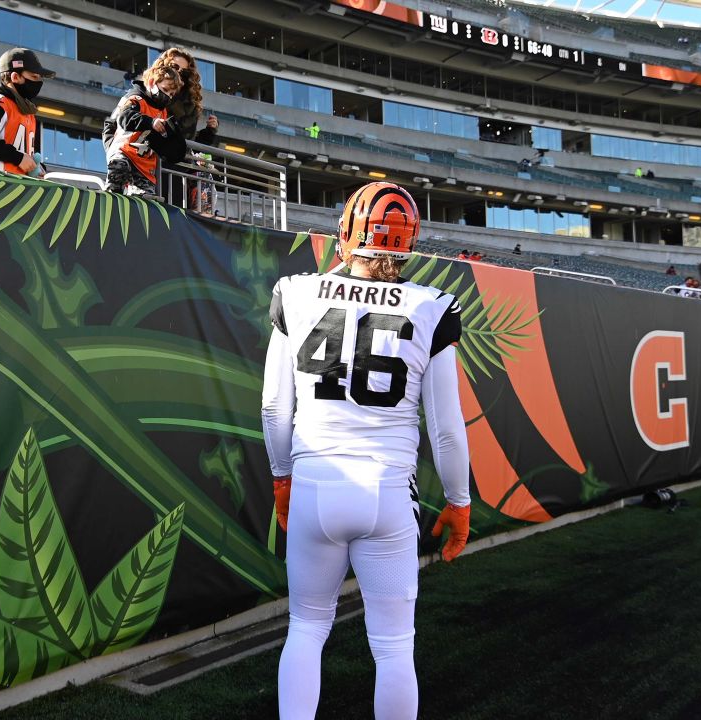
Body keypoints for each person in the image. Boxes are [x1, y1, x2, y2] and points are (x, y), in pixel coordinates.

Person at [262, 181, 470, 720]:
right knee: (395, 647)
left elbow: (273, 411)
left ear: (346, 233)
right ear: (409, 240)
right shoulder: (430, 306)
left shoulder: (297, 291)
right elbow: (447, 429)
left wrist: (282, 481)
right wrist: (460, 501)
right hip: (387, 491)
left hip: (314, 482)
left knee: (306, 630)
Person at [148, 48, 220, 208]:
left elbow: (189, 142)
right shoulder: (152, 91)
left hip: (179, 171)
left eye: (184, 70)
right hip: (152, 165)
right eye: (174, 67)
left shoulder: (190, 103)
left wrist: (209, 132)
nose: (179, 72)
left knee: (174, 217)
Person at [102, 65, 182, 196]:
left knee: (146, 198)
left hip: (145, 163)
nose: (167, 96)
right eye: (165, 89)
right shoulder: (135, 99)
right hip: (124, 151)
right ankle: (111, 198)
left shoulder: (164, 111)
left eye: (171, 94)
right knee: (118, 174)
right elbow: (124, 117)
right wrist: (150, 122)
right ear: (151, 83)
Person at [0, 48, 55, 176]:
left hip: (17, 186)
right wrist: (18, 158)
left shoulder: (29, 112)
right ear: (15, 77)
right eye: (34, 77)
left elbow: (27, 152)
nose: (39, 82)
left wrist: (38, 167)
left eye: (40, 78)